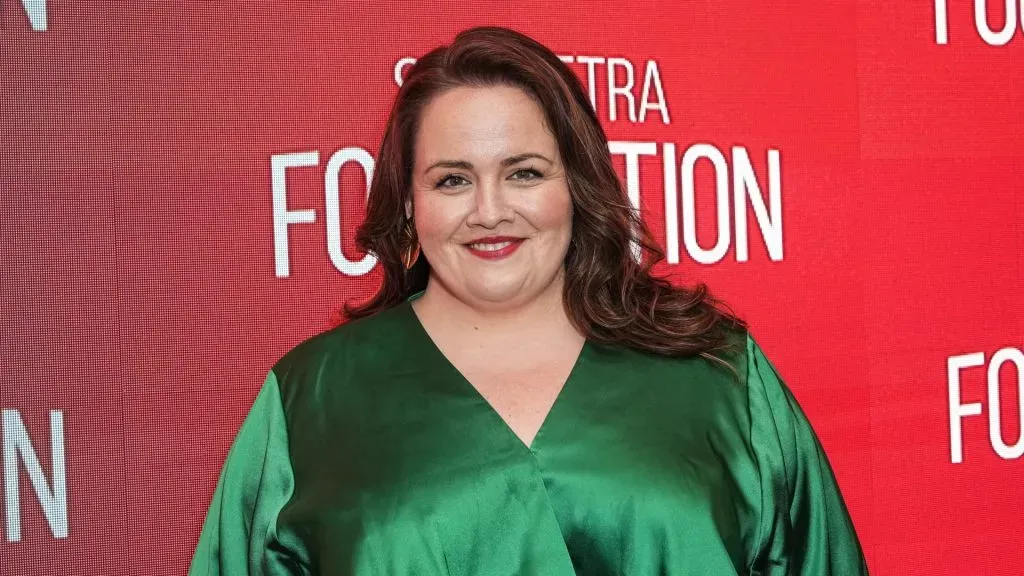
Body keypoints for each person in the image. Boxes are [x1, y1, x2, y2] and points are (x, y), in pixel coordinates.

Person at [189, 26, 869, 576]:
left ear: (577, 185)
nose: (489, 211)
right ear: (408, 204)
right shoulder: (308, 400)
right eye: (453, 179)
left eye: (524, 173)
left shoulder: (719, 374)